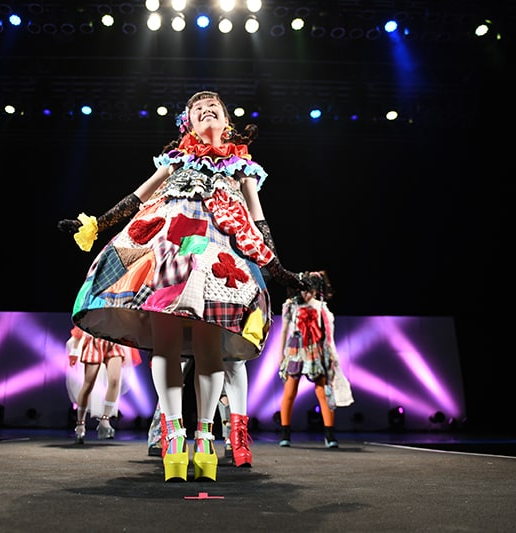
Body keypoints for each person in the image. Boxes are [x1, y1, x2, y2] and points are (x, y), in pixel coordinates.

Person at [58, 90, 304, 481]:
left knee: (209, 345)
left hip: (218, 253)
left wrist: (277, 268)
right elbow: (137, 198)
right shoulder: (176, 160)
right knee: (166, 342)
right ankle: (174, 434)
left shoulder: (242, 166)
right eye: (197, 109)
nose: (206, 111)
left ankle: (204, 437)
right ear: (187, 122)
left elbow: (257, 219)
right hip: (168, 248)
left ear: (226, 122)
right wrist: (97, 224)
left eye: (214, 108)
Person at [277, 270, 354, 448]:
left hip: (316, 351)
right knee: (289, 391)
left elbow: (329, 335)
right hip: (295, 350)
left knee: (323, 392)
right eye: (304, 290)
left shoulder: (320, 307)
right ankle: (285, 433)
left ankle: (329, 434)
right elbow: (284, 330)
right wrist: (280, 354)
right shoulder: (291, 305)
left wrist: (332, 356)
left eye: (310, 290)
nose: (307, 294)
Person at [66, 325, 141, 444]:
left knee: (115, 380)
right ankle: (80, 424)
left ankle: (105, 419)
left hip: (114, 340)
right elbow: (80, 322)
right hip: (94, 340)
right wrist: (74, 350)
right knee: (88, 384)